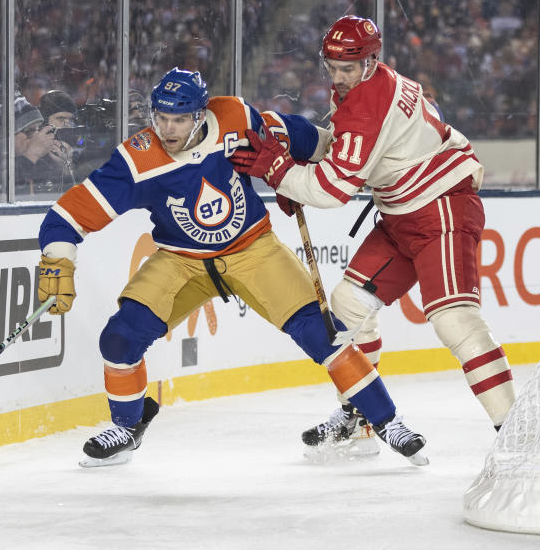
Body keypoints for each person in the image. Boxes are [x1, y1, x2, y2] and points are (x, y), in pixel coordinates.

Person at [37, 67, 428, 468]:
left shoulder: (236, 119)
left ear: (201, 114)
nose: (169, 129)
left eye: (180, 119)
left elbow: (298, 135)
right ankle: (127, 425)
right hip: (181, 260)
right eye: (162, 118)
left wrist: (301, 176)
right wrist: (58, 257)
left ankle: (387, 421)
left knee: (322, 333)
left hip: (253, 250)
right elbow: (68, 214)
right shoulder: (138, 159)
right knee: (119, 338)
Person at [231, 16, 516, 449]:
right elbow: (349, 154)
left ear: (371, 61)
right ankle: (360, 412)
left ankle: (516, 428)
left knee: (455, 319)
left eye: (349, 67)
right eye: (332, 66)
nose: (339, 76)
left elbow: (334, 189)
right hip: (403, 213)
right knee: (347, 304)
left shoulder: (368, 103)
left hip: (441, 209)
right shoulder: (368, 84)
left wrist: (280, 172)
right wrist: (297, 171)